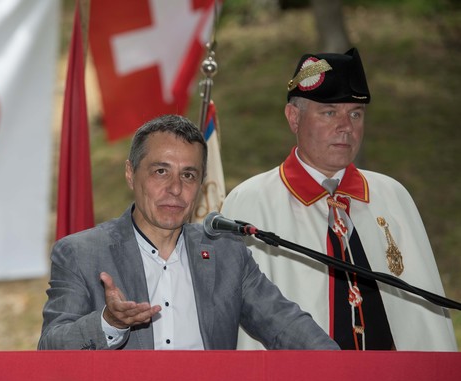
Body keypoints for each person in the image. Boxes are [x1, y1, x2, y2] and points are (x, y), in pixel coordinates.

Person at [221, 48, 457, 351]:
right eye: (329, 112)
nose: (346, 126)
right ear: (294, 118)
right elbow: (243, 331)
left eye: (355, 114)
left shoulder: (392, 195)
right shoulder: (251, 202)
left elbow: (427, 321)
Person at [38, 114, 339, 351]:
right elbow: (51, 347)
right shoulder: (82, 253)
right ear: (131, 174)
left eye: (188, 175)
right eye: (160, 171)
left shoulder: (227, 254)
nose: (175, 189)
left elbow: (285, 327)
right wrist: (110, 323)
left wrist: (349, 370)